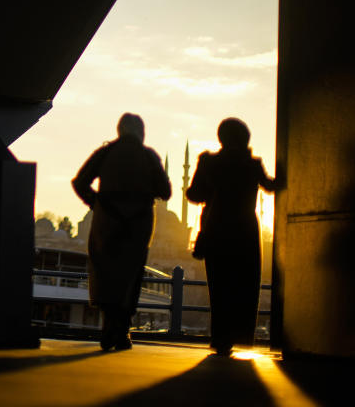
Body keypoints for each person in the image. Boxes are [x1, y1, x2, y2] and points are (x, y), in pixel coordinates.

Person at [72, 113, 171, 351]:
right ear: (141, 132)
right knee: (131, 277)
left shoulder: (105, 153)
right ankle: (122, 330)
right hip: (138, 226)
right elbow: (165, 191)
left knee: (107, 274)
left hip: (107, 224)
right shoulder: (148, 157)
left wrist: (96, 203)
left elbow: (80, 182)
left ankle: (108, 326)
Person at [186, 117, 276, 357]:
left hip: (216, 227)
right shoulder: (252, 164)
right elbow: (271, 185)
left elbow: (194, 195)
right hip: (245, 229)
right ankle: (241, 334)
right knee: (244, 284)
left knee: (219, 284)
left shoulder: (208, 163)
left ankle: (221, 337)